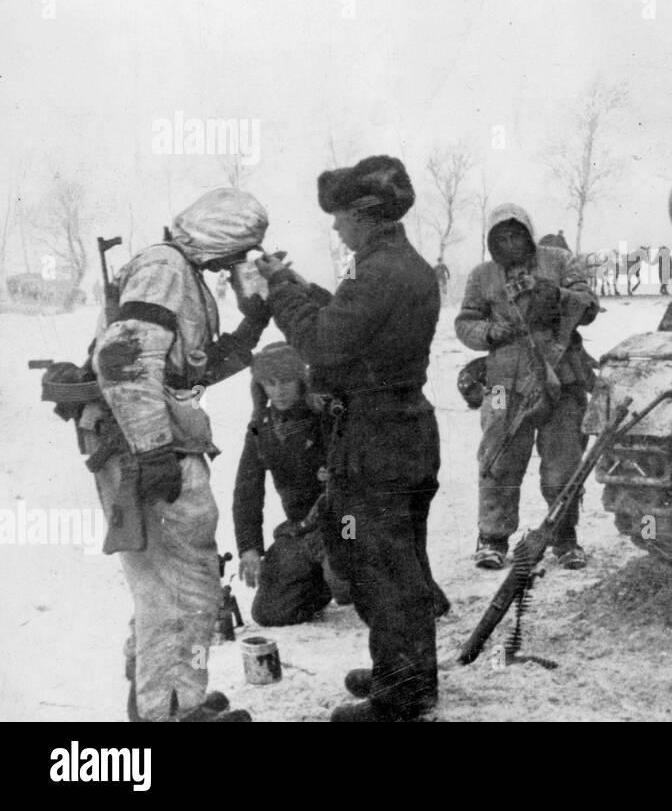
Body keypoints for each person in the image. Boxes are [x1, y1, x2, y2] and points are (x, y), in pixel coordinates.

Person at [255, 155, 446, 723]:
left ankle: (403, 694)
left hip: (377, 440)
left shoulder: (379, 273)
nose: (335, 228)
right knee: (398, 562)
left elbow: (324, 344)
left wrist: (278, 290)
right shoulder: (396, 267)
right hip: (401, 430)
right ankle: (402, 669)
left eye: (340, 218)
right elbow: (348, 320)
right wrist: (293, 284)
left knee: (383, 568)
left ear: (365, 216)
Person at [86, 187, 272, 722]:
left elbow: (187, 369)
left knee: (173, 585)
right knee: (180, 590)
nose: (236, 264)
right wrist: (155, 452)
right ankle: (169, 711)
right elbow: (123, 361)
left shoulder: (177, 272)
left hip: (155, 441)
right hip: (148, 448)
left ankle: (171, 700)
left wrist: (250, 326)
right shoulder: (166, 269)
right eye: (238, 251)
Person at [456, 204, 599, 571]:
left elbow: (588, 305)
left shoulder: (560, 261)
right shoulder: (482, 275)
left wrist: (553, 295)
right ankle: (492, 539)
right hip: (503, 381)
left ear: (528, 232)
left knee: (563, 463)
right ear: (491, 242)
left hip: (560, 375)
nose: (509, 241)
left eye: (515, 233)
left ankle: (565, 538)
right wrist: (489, 332)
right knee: (499, 458)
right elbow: (466, 322)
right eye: (500, 236)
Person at [233, 342, 351, 626]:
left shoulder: (327, 414)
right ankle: (318, 581)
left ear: (301, 380)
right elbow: (247, 492)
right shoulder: (260, 429)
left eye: (286, 380)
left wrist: (338, 472)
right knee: (269, 613)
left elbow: (363, 460)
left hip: (344, 520)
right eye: (270, 383)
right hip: (299, 530)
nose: (279, 390)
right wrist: (249, 548)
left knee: (347, 586)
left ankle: (345, 575)